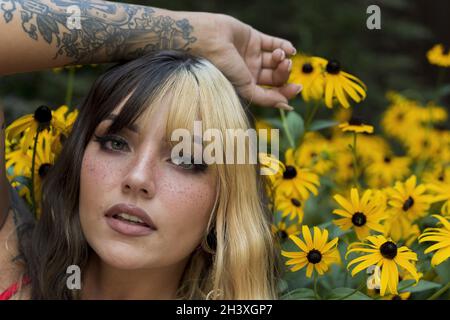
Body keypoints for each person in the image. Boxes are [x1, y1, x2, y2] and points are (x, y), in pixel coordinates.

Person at [0, 0, 301, 300]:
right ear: (77, 156)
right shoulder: (12, 268)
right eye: (116, 143)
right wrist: (195, 33)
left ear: (225, 204)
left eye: (185, 159)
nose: (138, 178)